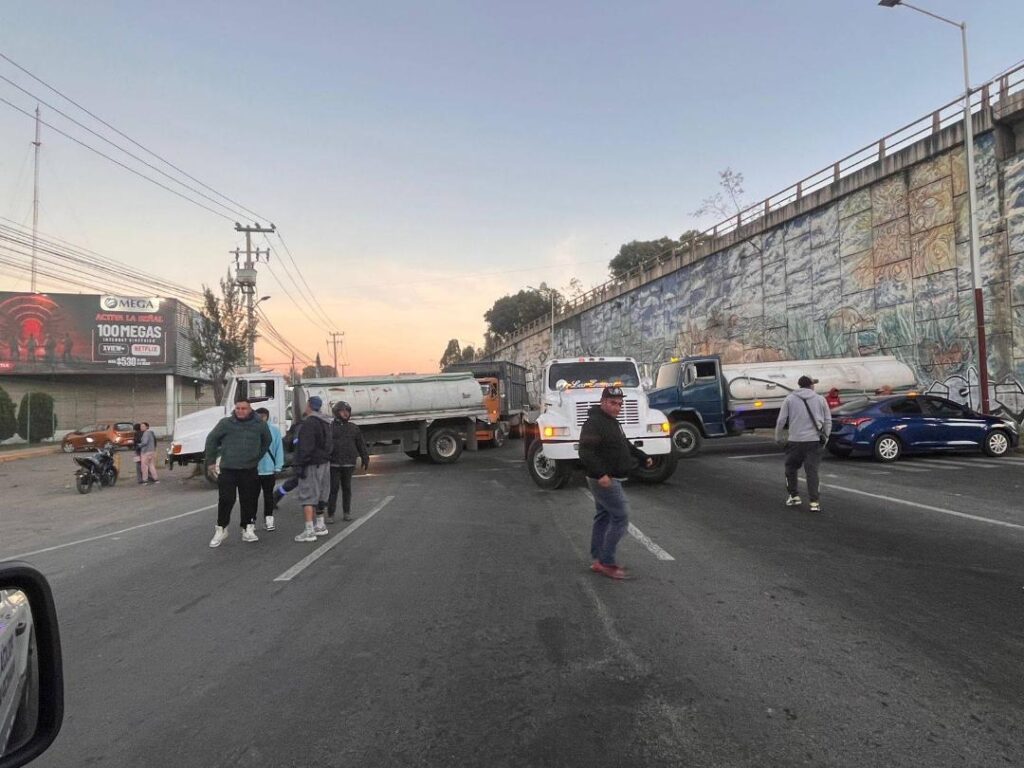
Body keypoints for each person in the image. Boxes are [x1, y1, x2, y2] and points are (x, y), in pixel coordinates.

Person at [578, 386, 653, 580]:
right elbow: (585, 451)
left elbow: (623, 444)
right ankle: (607, 562)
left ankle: (597, 559)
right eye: (613, 403)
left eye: (620, 403)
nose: (617, 407)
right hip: (604, 479)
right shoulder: (594, 423)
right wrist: (601, 473)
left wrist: (642, 456)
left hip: (609, 477)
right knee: (621, 517)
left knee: (603, 516)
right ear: (603, 402)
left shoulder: (611, 422)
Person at [204, 398, 271, 548]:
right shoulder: (226, 423)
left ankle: (247, 528)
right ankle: (221, 528)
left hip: (249, 469)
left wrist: (256, 456)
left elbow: (267, 441)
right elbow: (211, 439)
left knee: (249, 499)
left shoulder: (259, 424)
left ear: (250, 409)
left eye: (244, 408)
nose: (240, 411)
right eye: (238, 408)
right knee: (226, 499)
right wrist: (211, 461)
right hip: (228, 468)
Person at [774, 375, 832, 513]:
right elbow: (827, 420)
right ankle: (814, 502)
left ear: (799, 385)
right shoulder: (820, 399)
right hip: (814, 441)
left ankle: (794, 496)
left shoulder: (789, 399)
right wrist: (826, 437)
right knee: (812, 471)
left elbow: (781, 420)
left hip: (795, 441)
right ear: (811, 385)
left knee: (791, 467)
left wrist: (778, 437)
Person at [292, 396, 333, 543]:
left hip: (312, 464)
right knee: (322, 493)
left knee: (308, 495)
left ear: (309, 406)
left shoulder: (309, 423)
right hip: (324, 462)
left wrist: (299, 464)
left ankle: (309, 531)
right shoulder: (326, 422)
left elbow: (306, 447)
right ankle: (320, 525)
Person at [326, 401, 369, 523]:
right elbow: (325, 445)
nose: (345, 413)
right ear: (336, 413)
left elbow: (360, 444)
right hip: (334, 463)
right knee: (333, 489)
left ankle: (346, 512)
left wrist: (365, 458)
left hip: (349, 463)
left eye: (347, 411)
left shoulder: (353, 427)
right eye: (342, 411)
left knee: (347, 489)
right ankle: (330, 514)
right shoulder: (330, 427)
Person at [255, 407, 284, 531]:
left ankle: (269, 519)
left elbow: (279, 450)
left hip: (269, 469)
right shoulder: (251, 430)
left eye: (263, 416)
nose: (261, 418)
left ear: (267, 416)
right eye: (258, 416)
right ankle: (251, 522)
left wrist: (278, 466)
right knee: (251, 497)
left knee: (268, 496)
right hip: (253, 470)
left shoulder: (275, 431)